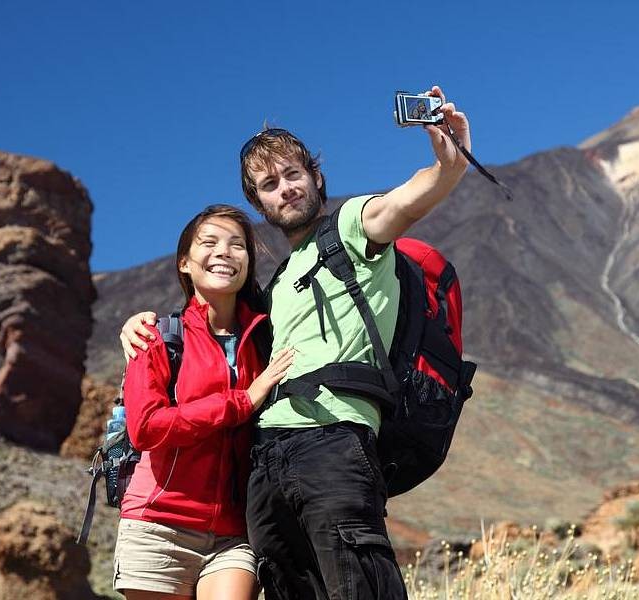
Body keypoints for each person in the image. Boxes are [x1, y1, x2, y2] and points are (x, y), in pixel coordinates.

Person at [121, 85, 471, 599]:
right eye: (268, 184)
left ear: (315, 177)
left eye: (293, 174)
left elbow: (405, 201)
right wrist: (133, 324)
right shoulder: (275, 287)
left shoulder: (353, 229)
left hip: (334, 443)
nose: (284, 188)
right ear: (258, 203)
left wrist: (448, 166)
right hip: (264, 467)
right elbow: (208, 331)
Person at [113, 204, 294, 599]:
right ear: (184, 263)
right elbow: (146, 429)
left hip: (235, 531)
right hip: (159, 523)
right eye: (209, 243)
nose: (224, 252)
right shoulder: (156, 336)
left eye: (237, 245)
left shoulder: (268, 337)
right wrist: (242, 401)